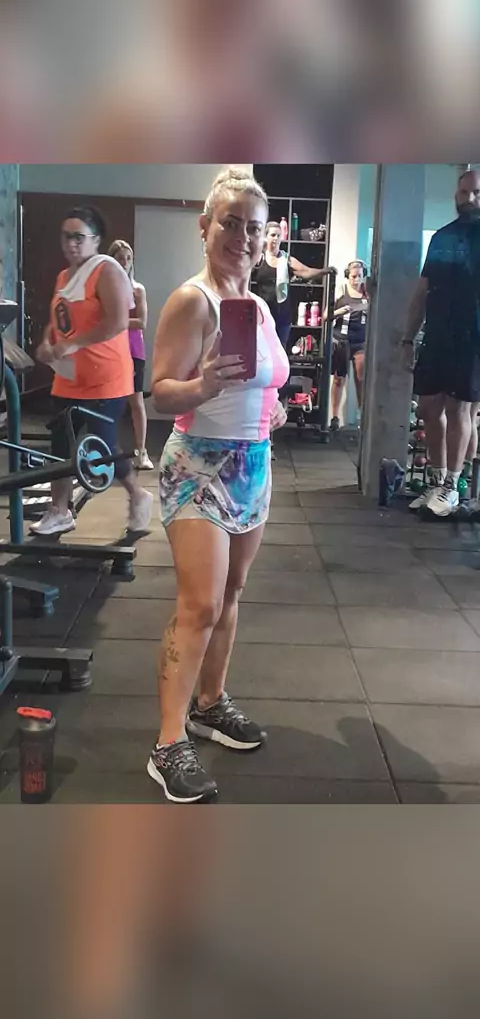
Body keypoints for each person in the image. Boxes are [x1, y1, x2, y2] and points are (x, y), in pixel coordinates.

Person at [147, 167, 290, 803]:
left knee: (231, 593)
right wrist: (203, 385)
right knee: (199, 605)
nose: (242, 237)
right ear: (204, 227)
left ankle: (210, 703)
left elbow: (264, 383)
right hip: (198, 466)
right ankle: (168, 742)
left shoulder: (256, 306)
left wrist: (273, 409)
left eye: (254, 228)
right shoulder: (192, 300)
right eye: (230, 224)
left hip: (253, 466)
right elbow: (160, 395)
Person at [33, 206, 154, 536]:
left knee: (102, 447)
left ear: (96, 239)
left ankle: (138, 494)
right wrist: (47, 343)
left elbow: (117, 322)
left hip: (105, 377)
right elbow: (58, 322)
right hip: (69, 376)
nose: (71, 243)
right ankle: (60, 510)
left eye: (78, 237)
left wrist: (73, 344)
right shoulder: (64, 277)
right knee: (60, 444)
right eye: (66, 236)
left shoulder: (107, 270)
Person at [402, 168, 480, 516]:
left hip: (472, 338)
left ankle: (452, 486)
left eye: (476, 192)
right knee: (428, 409)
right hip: (436, 335)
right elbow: (422, 291)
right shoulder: (441, 238)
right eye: (464, 192)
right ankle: (437, 481)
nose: (469, 199)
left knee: (460, 410)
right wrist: (407, 338)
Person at [108, 239, 154, 470]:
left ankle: (142, 453)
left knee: (136, 401)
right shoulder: (105, 290)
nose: (125, 262)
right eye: (120, 258)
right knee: (109, 401)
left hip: (134, 350)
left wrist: (116, 321)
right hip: (110, 349)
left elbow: (142, 322)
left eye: (128, 258)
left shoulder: (138, 289)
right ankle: (107, 452)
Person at [253, 220, 332, 348]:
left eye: (278, 235)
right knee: (262, 350)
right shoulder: (259, 258)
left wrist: (324, 271)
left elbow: (306, 271)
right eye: (272, 235)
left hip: (282, 315)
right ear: (266, 237)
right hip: (263, 315)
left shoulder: (286, 259)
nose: (276, 238)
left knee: (280, 350)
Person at [328, 260, 369, 431]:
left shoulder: (368, 293)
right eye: (353, 276)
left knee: (361, 379)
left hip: (360, 341)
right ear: (347, 276)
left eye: (359, 276)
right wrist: (341, 311)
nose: (356, 280)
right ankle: (334, 417)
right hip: (341, 339)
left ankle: (362, 417)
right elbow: (327, 315)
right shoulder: (341, 290)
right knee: (339, 379)